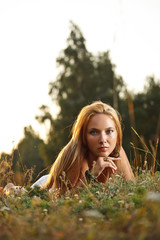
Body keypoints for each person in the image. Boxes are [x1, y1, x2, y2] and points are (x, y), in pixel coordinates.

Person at [32, 101, 135, 193]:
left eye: (109, 131)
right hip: (47, 186)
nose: (103, 139)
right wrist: (92, 175)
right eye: (93, 132)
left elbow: (132, 190)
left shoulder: (117, 150)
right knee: (23, 193)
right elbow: (63, 199)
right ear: (83, 135)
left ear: (117, 134)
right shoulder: (75, 154)